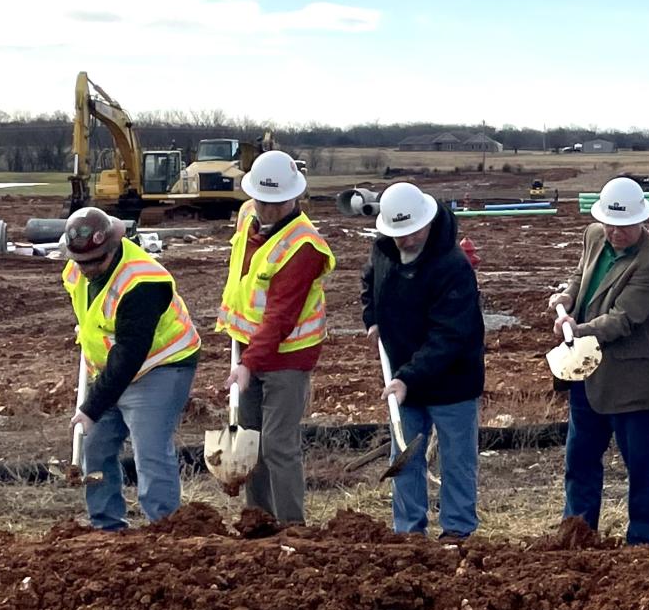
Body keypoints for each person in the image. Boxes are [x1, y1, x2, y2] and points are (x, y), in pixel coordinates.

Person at [60, 206, 200, 530]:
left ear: (111, 247)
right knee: (95, 445)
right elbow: (94, 315)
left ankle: (163, 528)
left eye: (95, 262)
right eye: (82, 262)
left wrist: (91, 406)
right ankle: (106, 526)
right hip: (112, 369)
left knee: (149, 449)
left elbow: (130, 353)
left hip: (161, 365)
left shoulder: (142, 282)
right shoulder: (76, 269)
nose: (87, 269)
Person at [217, 149, 335, 525]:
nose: (265, 209)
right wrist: (243, 355)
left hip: (288, 355)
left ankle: (290, 526)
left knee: (278, 444)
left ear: (294, 196)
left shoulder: (304, 247)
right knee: (249, 441)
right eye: (261, 200)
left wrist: (249, 364)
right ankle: (258, 520)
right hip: (246, 346)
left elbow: (281, 316)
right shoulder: (246, 215)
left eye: (275, 202)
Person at [550, 176, 649, 544]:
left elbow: (622, 320)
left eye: (625, 227)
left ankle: (641, 539)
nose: (616, 233)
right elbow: (580, 274)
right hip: (586, 374)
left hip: (629, 380)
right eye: (610, 225)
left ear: (642, 221)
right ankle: (579, 532)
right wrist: (568, 297)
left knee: (640, 465)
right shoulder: (594, 236)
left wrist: (575, 329)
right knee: (580, 460)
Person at [362, 181, 484, 538]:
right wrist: (372, 318)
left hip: (453, 381)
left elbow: (448, 336)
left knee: (457, 459)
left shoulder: (453, 266)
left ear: (428, 222)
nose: (407, 240)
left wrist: (408, 378)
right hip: (405, 378)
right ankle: (408, 532)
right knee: (404, 457)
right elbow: (370, 281)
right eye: (399, 233)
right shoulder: (384, 249)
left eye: (413, 232)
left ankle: (458, 532)